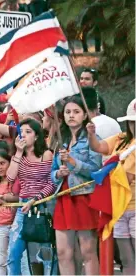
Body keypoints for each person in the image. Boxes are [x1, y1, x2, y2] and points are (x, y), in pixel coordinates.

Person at [51, 96, 102, 275]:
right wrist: (58, 174)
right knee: (63, 252)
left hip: (84, 197)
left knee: (87, 251)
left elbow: (96, 170)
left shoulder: (91, 138)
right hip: (63, 197)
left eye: (76, 112)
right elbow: (52, 172)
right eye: (68, 112)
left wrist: (73, 162)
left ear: (84, 115)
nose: (71, 115)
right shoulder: (59, 139)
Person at [87, 98, 136, 275]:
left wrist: (109, 171)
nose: (134, 126)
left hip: (134, 208)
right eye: (133, 122)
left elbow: (127, 178)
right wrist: (91, 134)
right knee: (126, 259)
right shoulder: (121, 140)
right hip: (119, 210)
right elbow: (98, 147)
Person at [5, 118, 56, 275]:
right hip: (23, 206)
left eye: (28, 132)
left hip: (43, 206)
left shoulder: (46, 154)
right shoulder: (19, 156)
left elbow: (52, 183)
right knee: (13, 254)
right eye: (22, 132)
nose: (24, 136)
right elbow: (10, 177)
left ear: (37, 136)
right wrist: (19, 153)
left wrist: (36, 199)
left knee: (44, 255)